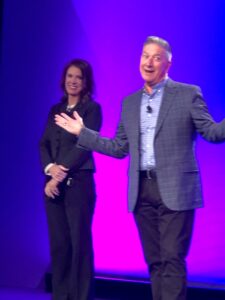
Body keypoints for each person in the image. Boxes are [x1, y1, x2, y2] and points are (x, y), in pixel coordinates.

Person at [54, 36, 225, 300]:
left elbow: (212, 132)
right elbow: (119, 148)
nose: (149, 62)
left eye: (156, 57)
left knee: (172, 259)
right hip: (142, 191)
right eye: (145, 55)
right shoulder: (130, 103)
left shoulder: (188, 94)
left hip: (176, 188)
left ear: (168, 63)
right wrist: (83, 132)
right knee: (155, 261)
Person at [39, 58, 102, 300]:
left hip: (78, 185)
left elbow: (85, 145)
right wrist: (50, 169)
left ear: (86, 82)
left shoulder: (92, 110)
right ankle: (61, 295)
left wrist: (60, 173)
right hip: (52, 185)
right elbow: (43, 143)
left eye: (78, 77)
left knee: (80, 244)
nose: (73, 81)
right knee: (59, 244)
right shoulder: (55, 109)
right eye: (70, 76)